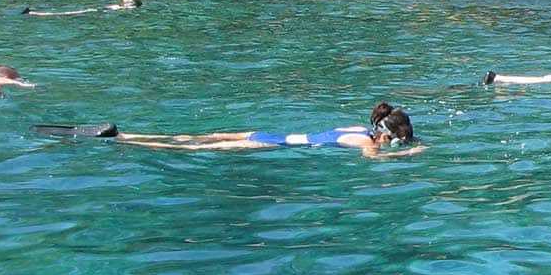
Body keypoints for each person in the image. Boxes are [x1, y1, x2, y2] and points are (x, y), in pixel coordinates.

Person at [110, 103, 424, 157]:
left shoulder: (356, 127)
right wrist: (406, 154)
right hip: (271, 146)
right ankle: (126, 140)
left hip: (266, 134)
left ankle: (135, 134)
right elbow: (372, 160)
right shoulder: (367, 144)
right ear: (387, 134)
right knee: (193, 149)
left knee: (194, 138)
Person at [24, 0, 141, 16]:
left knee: (68, 13)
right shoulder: (122, 7)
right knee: (69, 13)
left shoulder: (122, 8)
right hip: (98, 10)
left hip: (98, 11)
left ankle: (33, 13)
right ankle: (33, 13)